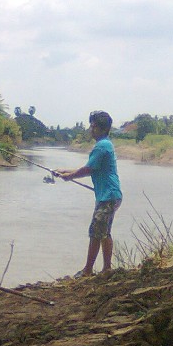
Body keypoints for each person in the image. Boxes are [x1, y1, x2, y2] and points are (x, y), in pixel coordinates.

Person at [55, 110, 123, 277]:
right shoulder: (106, 144)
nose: (90, 129)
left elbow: (88, 169)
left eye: (93, 126)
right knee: (104, 232)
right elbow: (91, 168)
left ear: (100, 128)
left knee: (96, 233)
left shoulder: (101, 146)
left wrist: (69, 177)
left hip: (107, 196)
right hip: (111, 195)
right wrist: (64, 171)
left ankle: (87, 271)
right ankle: (107, 269)